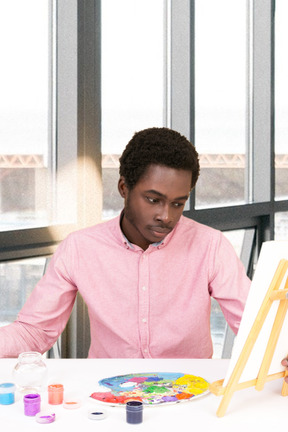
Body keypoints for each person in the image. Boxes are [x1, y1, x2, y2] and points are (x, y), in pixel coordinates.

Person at [0, 127, 251, 359]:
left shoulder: (211, 246)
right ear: (123, 187)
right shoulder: (80, 248)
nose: (166, 216)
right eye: (153, 200)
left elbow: (254, 322)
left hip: (190, 395)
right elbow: (34, 331)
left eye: (177, 203)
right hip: (106, 395)